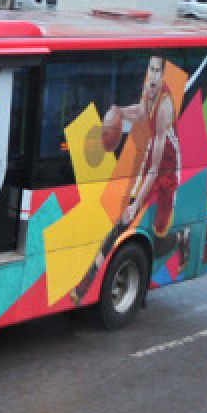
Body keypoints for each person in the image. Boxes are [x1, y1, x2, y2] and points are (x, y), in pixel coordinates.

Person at [74, 55, 187, 303]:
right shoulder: (149, 92)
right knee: (119, 225)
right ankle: (87, 280)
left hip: (166, 170)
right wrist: (119, 112)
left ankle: (180, 237)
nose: (154, 76)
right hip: (151, 162)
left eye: (158, 71)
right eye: (151, 70)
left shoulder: (165, 107)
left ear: (164, 74)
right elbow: (139, 112)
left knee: (158, 236)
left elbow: (156, 169)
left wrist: (136, 204)